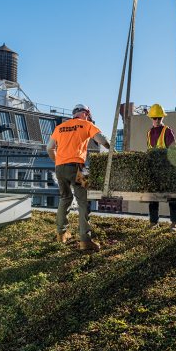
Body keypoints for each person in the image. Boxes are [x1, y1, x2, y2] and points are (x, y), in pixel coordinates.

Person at [47, 104, 111, 252]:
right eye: (88, 115)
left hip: (60, 167)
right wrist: (112, 149)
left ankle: (61, 234)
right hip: (78, 167)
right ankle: (85, 240)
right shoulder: (86, 124)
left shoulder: (60, 127)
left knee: (65, 198)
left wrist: (57, 161)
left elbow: (49, 148)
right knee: (83, 201)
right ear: (85, 114)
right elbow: (103, 140)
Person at [146, 104, 176, 232]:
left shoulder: (167, 131)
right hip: (154, 169)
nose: (157, 120)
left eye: (159, 117)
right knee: (153, 196)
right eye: (155, 118)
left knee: (171, 196)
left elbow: (173, 151)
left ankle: (174, 223)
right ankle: (153, 223)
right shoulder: (149, 133)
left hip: (167, 169)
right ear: (151, 118)